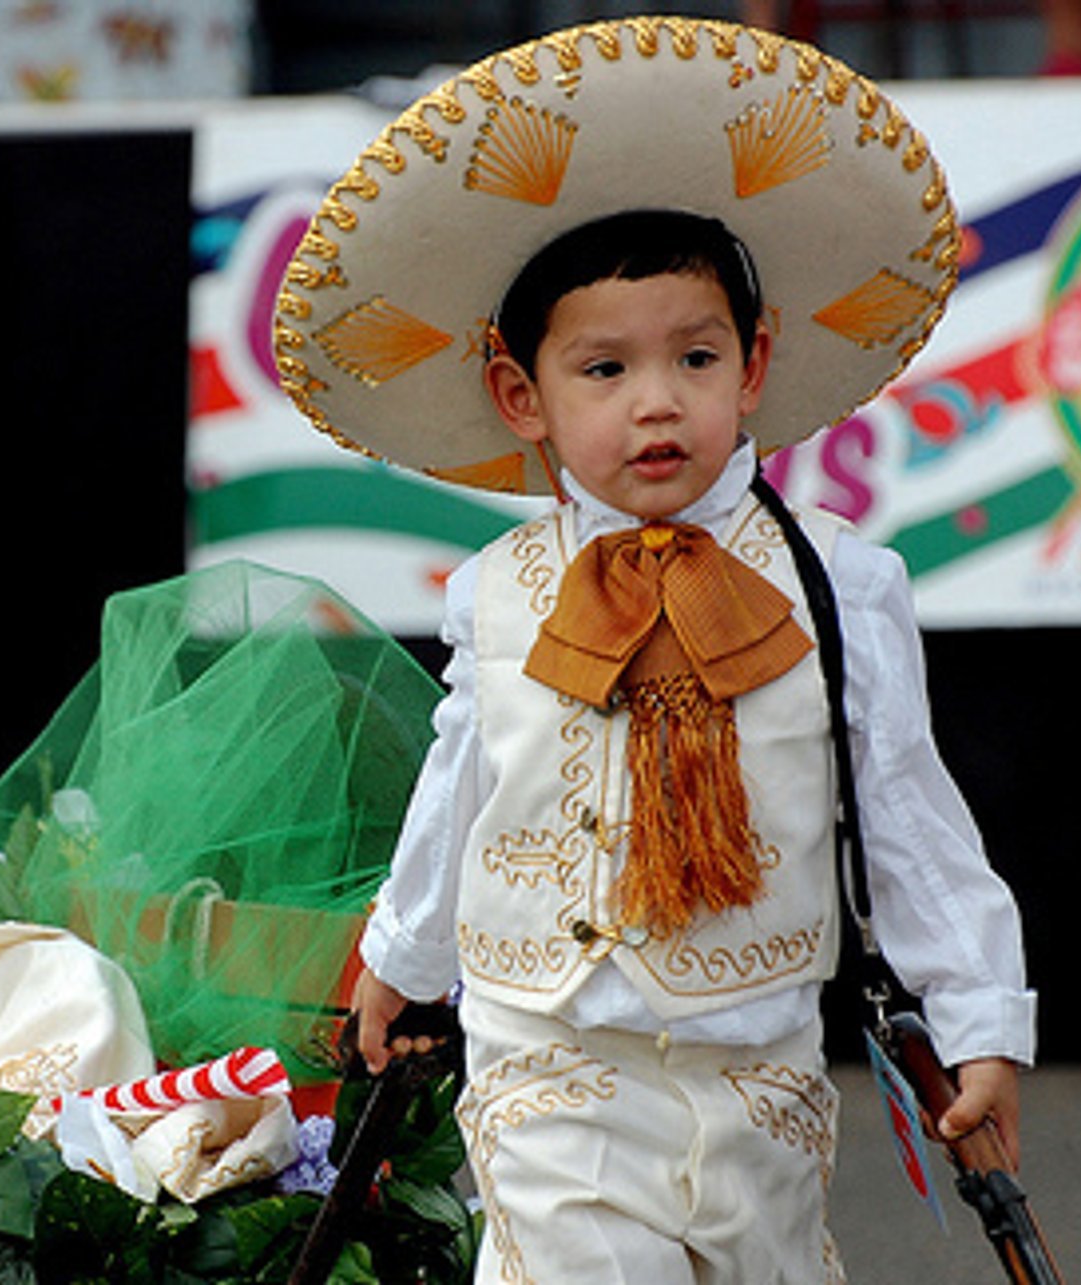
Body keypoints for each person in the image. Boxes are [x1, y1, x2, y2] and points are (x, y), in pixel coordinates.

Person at [272, 18, 1035, 1282]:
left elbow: (905, 809)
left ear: (757, 363)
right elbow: (462, 784)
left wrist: (978, 1016)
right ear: (524, 399)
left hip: (762, 1078)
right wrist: (403, 960)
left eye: (695, 356)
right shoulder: (499, 592)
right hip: (550, 1070)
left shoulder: (841, 581)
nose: (657, 400)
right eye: (605, 367)